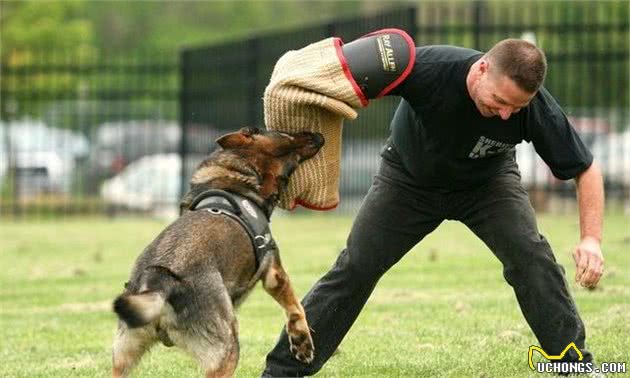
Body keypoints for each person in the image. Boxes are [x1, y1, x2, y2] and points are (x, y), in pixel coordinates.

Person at [262, 38, 604, 377]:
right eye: (500, 101)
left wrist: (591, 239)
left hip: (486, 185)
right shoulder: (431, 69)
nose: (505, 115)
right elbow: (341, 78)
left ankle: (574, 365)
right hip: (408, 181)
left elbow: (585, 169)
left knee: (532, 257)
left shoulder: (534, 107)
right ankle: (282, 370)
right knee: (357, 266)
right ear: (482, 69)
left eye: (514, 109)